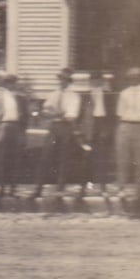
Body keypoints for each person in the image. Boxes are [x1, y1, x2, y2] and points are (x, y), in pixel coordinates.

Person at [33, 67, 83, 198]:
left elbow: (70, 115)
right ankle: (38, 188)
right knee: (45, 157)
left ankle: (60, 188)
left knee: (63, 158)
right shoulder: (54, 94)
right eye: (61, 79)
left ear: (69, 81)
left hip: (66, 128)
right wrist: (54, 113)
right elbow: (44, 112)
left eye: (65, 80)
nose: (62, 82)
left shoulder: (74, 96)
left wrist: (54, 113)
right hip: (54, 127)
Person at [115, 66, 140, 197]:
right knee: (123, 159)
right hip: (125, 126)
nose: (133, 79)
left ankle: (138, 189)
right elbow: (120, 114)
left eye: (136, 76)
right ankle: (121, 188)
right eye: (131, 77)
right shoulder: (124, 93)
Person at [0, 74, 29, 197]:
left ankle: (13, 188)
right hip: (3, 126)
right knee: (1, 158)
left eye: (12, 82)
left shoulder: (21, 98)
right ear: (4, 84)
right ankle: (1, 188)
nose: (10, 85)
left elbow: (26, 116)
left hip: (16, 127)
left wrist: (23, 131)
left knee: (15, 158)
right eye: (8, 82)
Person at [78, 70, 117, 194]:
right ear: (90, 82)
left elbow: (112, 115)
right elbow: (81, 114)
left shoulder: (108, 95)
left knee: (103, 158)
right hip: (90, 128)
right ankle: (84, 187)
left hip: (103, 126)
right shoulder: (86, 96)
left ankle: (103, 187)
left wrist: (109, 131)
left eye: (98, 81)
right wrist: (81, 132)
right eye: (93, 81)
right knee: (87, 157)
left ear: (102, 82)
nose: (95, 83)